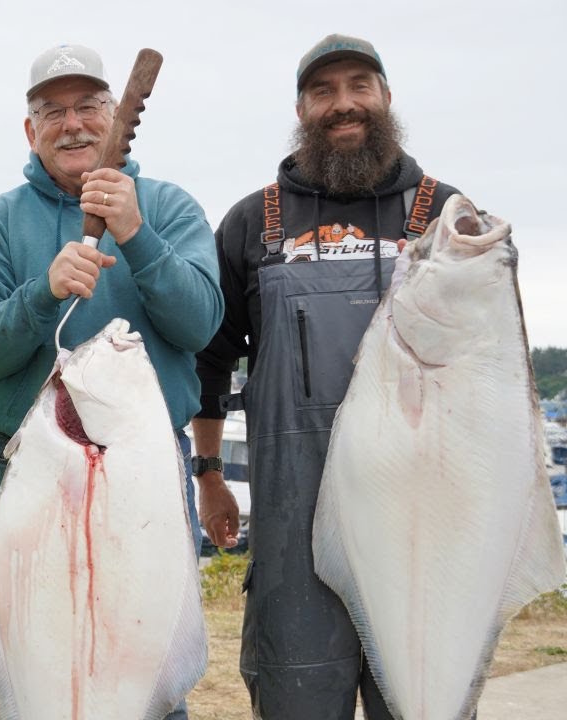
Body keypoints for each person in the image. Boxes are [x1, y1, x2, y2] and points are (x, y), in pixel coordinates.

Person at [192, 34, 462, 719]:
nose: (343, 104)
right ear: (300, 108)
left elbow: (489, 372)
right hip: (294, 543)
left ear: (387, 99)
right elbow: (212, 359)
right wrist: (209, 472)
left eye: (359, 86)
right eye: (323, 91)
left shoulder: (449, 220)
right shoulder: (255, 221)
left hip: (422, 536)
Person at [0, 43, 225, 720]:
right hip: (25, 464)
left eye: (89, 107)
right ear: (30, 130)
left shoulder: (170, 208)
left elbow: (200, 325)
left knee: (144, 659)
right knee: (28, 662)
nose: (73, 124)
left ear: (114, 117)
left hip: (144, 468)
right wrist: (42, 292)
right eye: (54, 111)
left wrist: (137, 234)